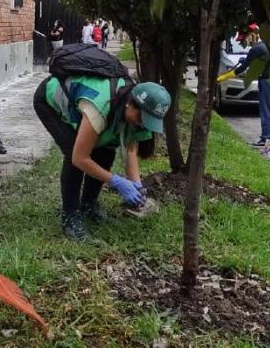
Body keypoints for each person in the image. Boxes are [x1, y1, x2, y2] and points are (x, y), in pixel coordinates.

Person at [33, 74, 172, 240]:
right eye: (141, 119)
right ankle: (70, 216)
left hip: (89, 107)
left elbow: (130, 148)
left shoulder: (137, 108)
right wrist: (116, 181)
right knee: (73, 153)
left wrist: (137, 184)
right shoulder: (100, 107)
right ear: (131, 104)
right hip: (48, 100)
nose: (142, 124)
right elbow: (80, 158)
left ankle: (88, 204)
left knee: (106, 149)